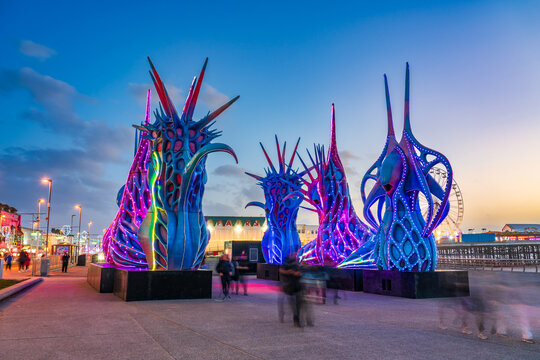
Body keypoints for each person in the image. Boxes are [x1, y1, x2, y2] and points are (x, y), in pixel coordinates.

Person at [279, 254, 309, 327]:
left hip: (298, 286)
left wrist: (297, 273)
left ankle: (297, 318)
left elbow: (301, 271)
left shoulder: (299, 264)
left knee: (298, 304)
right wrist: (290, 272)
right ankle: (295, 317)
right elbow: (281, 270)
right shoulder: (287, 263)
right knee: (293, 304)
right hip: (289, 286)